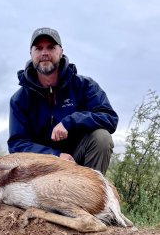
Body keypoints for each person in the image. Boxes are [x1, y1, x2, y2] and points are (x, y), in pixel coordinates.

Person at [7, 27, 118, 175]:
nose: (44, 53)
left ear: (61, 51)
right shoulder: (19, 99)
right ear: (31, 53)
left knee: (102, 137)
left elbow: (110, 118)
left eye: (51, 47)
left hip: (79, 164)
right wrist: (55, 156)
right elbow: (17, 144)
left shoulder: (85, 86)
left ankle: (89, 195)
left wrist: (71, 121)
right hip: (41, 171)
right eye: (39, 48)